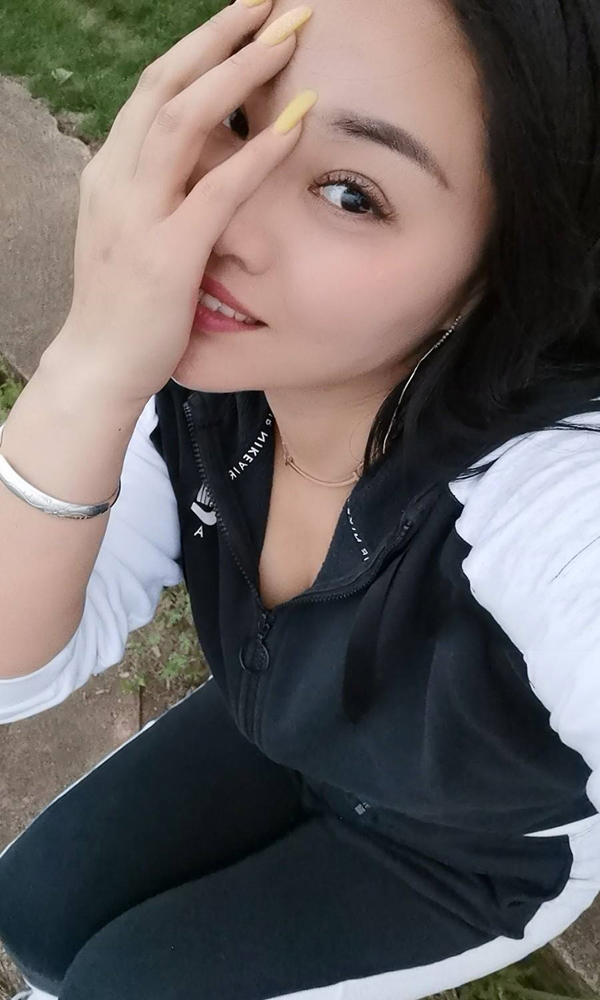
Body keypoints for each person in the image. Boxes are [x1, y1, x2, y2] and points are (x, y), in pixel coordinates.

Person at [0, 0, 599, 996]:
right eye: (235, 119)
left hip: (464, 851)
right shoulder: (197, 384)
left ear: (497, 269)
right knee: (32, 909)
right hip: (280, 733)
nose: (217, 222)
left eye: (351, 193)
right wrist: (90, 369)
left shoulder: (548, 498)